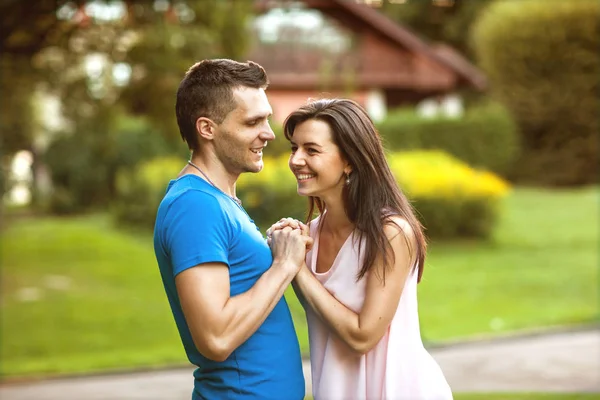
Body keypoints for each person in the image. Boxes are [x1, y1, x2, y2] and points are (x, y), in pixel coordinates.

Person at [267, 99, 453, 399]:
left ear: (350, 160)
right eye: (294, 148)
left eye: (311, 150)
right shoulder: (308, 239)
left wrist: (295, 267)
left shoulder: (391, 233)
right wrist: (287, 253)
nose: (296, 160)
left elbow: (362, 336)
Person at [153, 59, 311, 400]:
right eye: (253, 122)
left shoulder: (218, 200)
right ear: (207, 128)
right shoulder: (194, 205)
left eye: (266, 119)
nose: (268, 133)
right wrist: (284, 265)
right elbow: (216, 338)